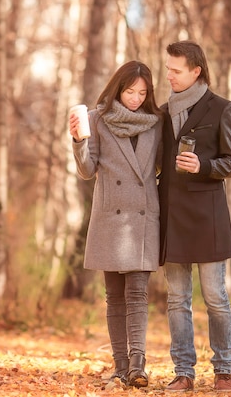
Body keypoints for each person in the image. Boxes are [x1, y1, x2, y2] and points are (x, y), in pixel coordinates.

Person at [69, 60, 163, 388]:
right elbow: (86, 170)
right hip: (111, 217)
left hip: (143, 217)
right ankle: (120, 367)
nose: (136, 98)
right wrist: (80, 139)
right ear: (117, 89)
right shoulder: (97, 119)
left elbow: (163, 167)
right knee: (115, 296)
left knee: (138, 292)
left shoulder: (156, 123)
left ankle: (138, 365)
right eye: (129, 91)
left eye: (142, 92)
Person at [157, 40, 231, 392]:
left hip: (208, 218)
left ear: (196, 71)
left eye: (176, 71)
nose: (170, 76)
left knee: (215, 297)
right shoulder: (162, 113)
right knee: (177, 300)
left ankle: (223, 369)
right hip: (172, 216)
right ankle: (184, 372)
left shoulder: (224, 109)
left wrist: (204, 165)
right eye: (168, 70)